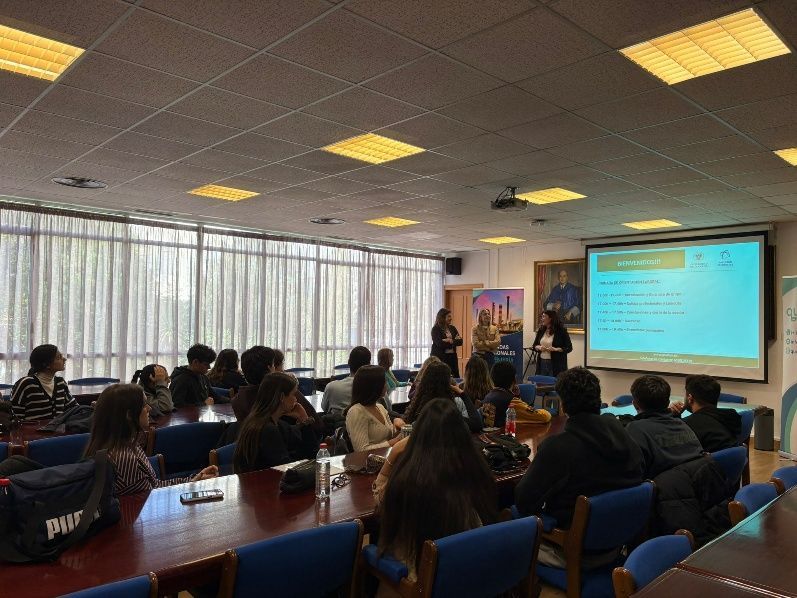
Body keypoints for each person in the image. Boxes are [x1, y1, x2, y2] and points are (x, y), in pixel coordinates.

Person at [515, 367, 644, 567]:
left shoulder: (557, 447)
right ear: (598, 398)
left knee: (507, 517)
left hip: (574, 550)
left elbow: (524, 502)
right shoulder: (623, 432)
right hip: (620, 544)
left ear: (563, 405)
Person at [376, 399, 497, 593]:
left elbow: (380, 502)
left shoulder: (409, 480)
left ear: (418, 436)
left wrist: (394, 454)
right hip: (469, 572)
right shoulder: (478, 472)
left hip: (421, 579)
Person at [84, 384, 217, 495]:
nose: (149, 408)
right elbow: (149, 497)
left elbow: (153, 486)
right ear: (129, 415)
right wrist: (192, 485)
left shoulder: (120, 444)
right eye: (143, 405)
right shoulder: (125, 458)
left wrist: (193, 480)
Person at [233, 372, 319, 473]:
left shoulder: (260, 420)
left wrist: (304, 420)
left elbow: (312, 451)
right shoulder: (268, 429)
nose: (296, 399)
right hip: (262, 485)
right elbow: (286, 471)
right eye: (293, 394)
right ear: (282, 397)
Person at [625, 375, 704, 479]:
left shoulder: (635, 430)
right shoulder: (683, 425)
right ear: (668, 403)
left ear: (635, 404)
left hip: (663, 492)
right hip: (695, 488)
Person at [404, 361, 481, 433]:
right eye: (450, 376)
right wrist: (463, 394)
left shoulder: (418, 407)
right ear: (447, 384)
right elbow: (477, 424)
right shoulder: (446, 413)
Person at [674, 375, 741, 452]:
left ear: (690, 398)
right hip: (728, 461)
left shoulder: (688, 425)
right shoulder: (730, 416)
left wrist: (672, 416)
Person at [345, 365, 403, 451]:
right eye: (384, 382)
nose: (387, 385)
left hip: (386, 457)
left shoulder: (380, 407)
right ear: (375, 386)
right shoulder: (356, 412)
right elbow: (361, 450)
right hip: (367, 462)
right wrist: (394, 442)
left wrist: (398, 428)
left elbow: (389, 436)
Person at [11, 344, 76, 421]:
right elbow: (15, 418)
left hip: (58, 431)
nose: (64, 359)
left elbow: (74, 408)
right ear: (47, 365)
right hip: (31, 432)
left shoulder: (60, 382)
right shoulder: (26, 384)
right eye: (59, 357)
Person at [531, 310, 572, 377]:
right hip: (542, 362)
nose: (542, 319)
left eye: (544, 317)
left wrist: (556, 349)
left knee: (554, 385)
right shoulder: (541, 330)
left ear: (550, 318)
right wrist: (539, 347)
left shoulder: (561, 331)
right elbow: (534, 345)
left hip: (556, 364)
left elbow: (569, 348)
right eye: (541, 317)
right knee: (541, 385)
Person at [481, 360, 518, 429]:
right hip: (506, 436)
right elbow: (542, 416)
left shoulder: (488, 396)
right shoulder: (513, 400)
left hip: (489, 436)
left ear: (492, 379)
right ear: (514, 380)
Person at [430, 308, 462, 378]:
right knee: (442, 378)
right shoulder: (435, 329)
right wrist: (453, 341)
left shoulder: (452, 328)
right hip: (441, 358)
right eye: (449, 316)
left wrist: (450, 340)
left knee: (455, 377)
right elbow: (439, 344)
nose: (451, 318)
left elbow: (460, 341)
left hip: (452, 358)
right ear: (442, 317)